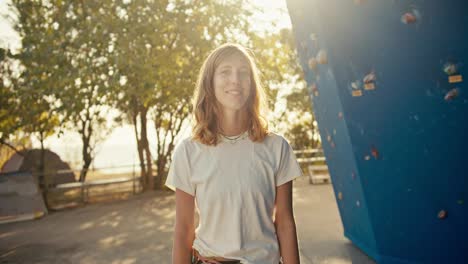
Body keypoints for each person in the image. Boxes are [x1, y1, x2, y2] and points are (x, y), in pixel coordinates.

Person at [166, 43, 303, 264]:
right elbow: (184, 227)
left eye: (243, 73)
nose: (235, 80)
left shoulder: (277, 147)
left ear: (252, 84)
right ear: (210, 82)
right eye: (225, 72)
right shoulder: (188, 151)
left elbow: (285, 222)